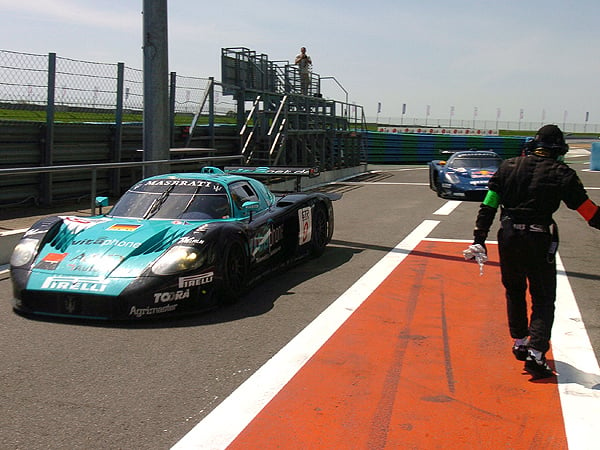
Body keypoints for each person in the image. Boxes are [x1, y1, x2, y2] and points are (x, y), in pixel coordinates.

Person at [470, 124, 600, 379]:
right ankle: (537, 352)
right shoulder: (563, 173)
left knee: (514, 290)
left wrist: (479, 238)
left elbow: (489, 204)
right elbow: (588, 212)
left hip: (508, 236)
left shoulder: (507, 167)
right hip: (539, 238)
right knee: (542, 297)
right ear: (558, 149)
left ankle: (520, 341)